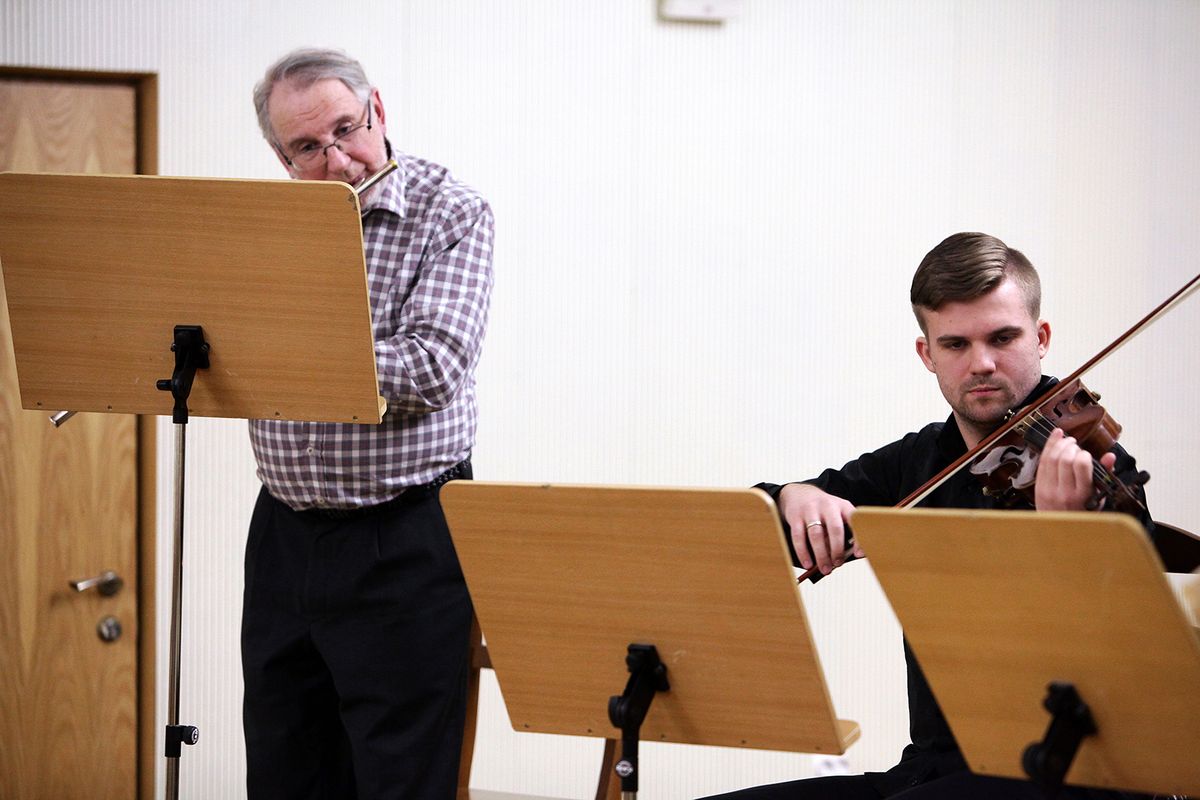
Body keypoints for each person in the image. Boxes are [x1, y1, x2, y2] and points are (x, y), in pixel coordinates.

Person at [705, 232, 1153, 800]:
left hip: (1060, 777)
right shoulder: (920, 462)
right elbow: (755, 530)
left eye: (1003, 337)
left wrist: (1064, 540)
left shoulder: (1097, 468)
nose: (982, 363)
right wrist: (793, 497)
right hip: (928, 770)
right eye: (956, 344)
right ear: (927, 355)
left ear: (1040, 338)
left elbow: (1135, 654)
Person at [242, 48, 493, 799]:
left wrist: (293, 350)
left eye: (347, 130)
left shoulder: (451, 211)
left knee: (399, 778)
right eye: (307, 148)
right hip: (284, 532)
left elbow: (433, 368)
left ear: (376, 109)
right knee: (286, 769)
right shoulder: (258, 228)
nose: (338, 160)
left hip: (405, 535)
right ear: (281, 157)